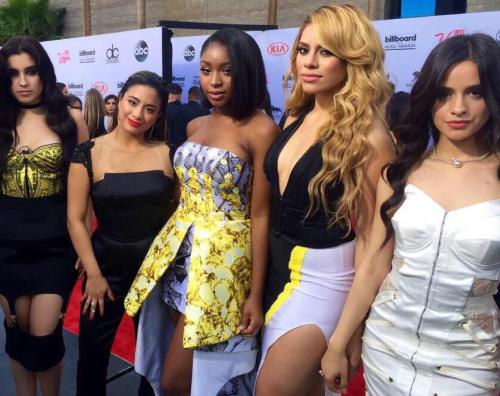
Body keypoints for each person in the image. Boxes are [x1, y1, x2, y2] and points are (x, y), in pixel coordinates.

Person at [321, 33, 500, 396]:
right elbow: (373, 265)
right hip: (384, 348)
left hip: (469, 364)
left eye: (475, 93)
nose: (458, 108)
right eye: (444, 94)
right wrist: (339, 341)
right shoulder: (400, 173)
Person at [125, 28, 279, 395]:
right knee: (191, 373)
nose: (214, 80)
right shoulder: (196, 123)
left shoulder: (261, 129)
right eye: (206, 70)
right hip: (178, 258)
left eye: (226, 70)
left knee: (176, 381)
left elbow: (260, 216)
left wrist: (255, 294)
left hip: (222, 268)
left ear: (247, 72)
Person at [255, 5, 394, 396]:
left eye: (326, 52)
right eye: (303, 50)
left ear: (351, 59)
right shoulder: (294, 117)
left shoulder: (370, 138)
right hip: (275, 272)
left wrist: (346, 338)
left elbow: (375, 246)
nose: (310, 63)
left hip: (322, 281)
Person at [67, 71, 174, 396]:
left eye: (150, 109)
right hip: (105, 271)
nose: (138, 114)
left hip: (156, 273)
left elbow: (178, 215)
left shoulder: (168, 152)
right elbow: (75, 218)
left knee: (154, 357)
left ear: (158, 115)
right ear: (119, 99)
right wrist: (95, 275)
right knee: (92, 359)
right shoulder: (88, 152)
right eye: (133, 102)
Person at [0, 36, 88, 396]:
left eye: (31, 71)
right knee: (17, 332)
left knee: (45, 333)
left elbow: (85, 193)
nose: (23, 81)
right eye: (13, 73)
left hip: (56, 246)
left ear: (44, 74)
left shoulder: (71, 120)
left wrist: (85, 245)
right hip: (6, 247)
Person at [165, 82, 187, 146]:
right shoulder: (187, 109)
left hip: (167, 145)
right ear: (180, 95)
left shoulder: (162, 111)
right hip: (183, 145)